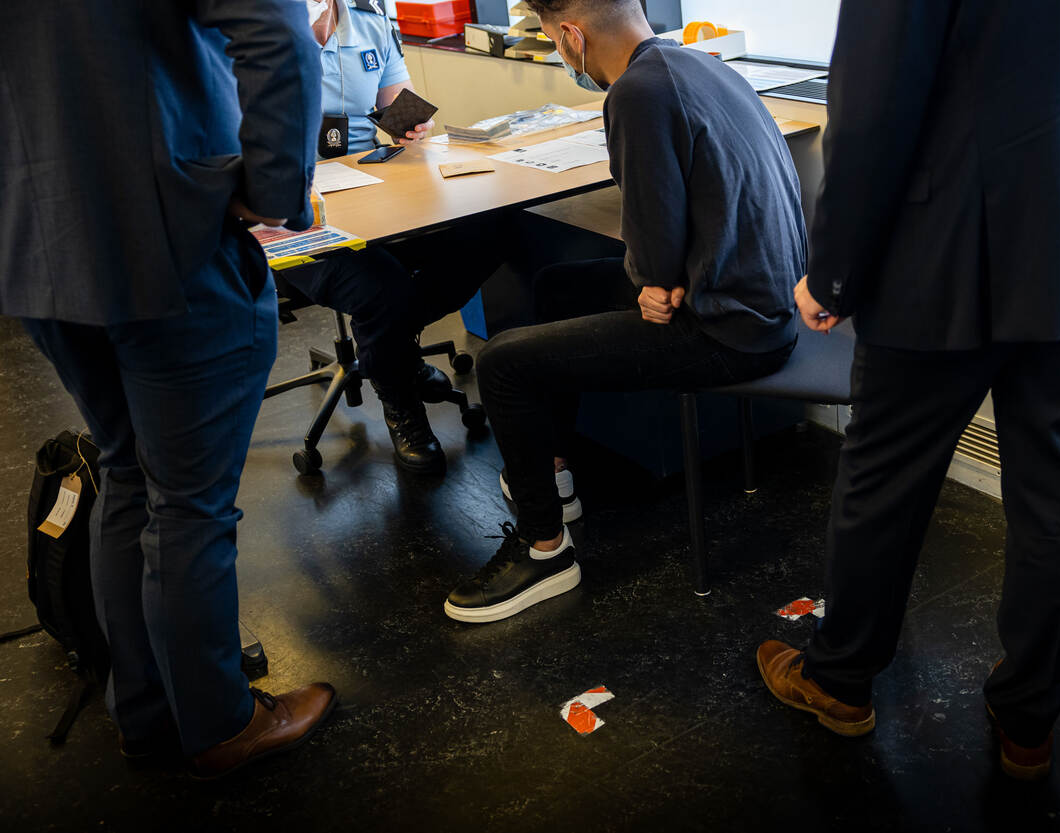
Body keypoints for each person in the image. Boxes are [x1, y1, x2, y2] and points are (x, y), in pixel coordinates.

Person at [755, 0, 1060, 781]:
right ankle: (1030, 718)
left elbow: (874, 101)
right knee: (1054, 485)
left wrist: (833, 271)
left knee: (884, 479)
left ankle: (840, 680)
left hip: (942, 245)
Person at [0, 1, 336, 778]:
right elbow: (279, 35)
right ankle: (218, 723)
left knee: (126, 470)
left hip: (39, 247)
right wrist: (273, 187)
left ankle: (147, 713)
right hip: (164, 232)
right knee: (187, 502)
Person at [442, 0, 808, 624]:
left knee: (502, 363)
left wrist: (657, 281)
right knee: (560, 287)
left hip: (731, 331)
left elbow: (653, 252)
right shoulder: (696, 63)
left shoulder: (636, 93)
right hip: (765, 296)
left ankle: (544, 551)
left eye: (552, 40)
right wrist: (660, 279)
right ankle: (553, 474)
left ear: (571, 36)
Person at [282, 0, 492, 474]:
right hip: (294, 208)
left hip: (372, 192)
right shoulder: (250, 27)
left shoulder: (369, 20)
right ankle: (401, 402)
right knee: (382, 288)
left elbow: (396, 106)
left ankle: (391, 349)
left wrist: (411, 126)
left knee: (484, 231)